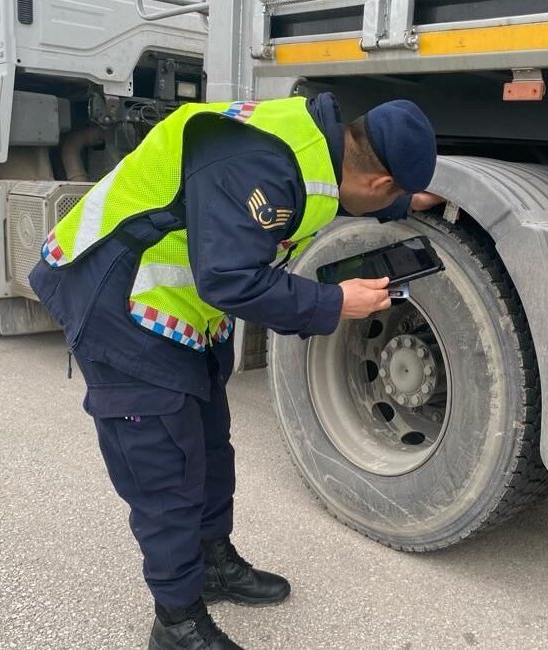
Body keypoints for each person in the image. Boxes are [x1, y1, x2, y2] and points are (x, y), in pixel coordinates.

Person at [29, 92, 439, 650]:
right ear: (376, 180)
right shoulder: (263, 167)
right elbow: (229, 280)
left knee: (209, 447)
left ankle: (213, 563)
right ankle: (176, 622)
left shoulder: (319, 147)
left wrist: (406, 203)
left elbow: (339, 196)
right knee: (164, 469)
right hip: (118, 301)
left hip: (177, 313)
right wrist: (334, 302)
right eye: (392, 194)